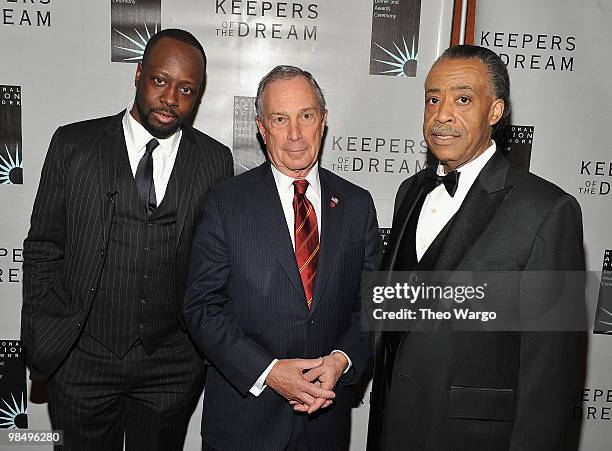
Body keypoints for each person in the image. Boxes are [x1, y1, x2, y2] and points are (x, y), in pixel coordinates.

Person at [21, 29, 233, 451]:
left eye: (186, 89)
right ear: (138, 75)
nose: (170, 98)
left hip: (171, 363)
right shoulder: (75, 145)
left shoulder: (214, 160)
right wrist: (49, 334)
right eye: (160, 81)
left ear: (198, 94)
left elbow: (216, 263)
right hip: (82, 358)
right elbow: (44, 247)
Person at [367, 45, 586, 450]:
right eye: (433, 99)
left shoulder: (548, 210)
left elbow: (551, 377)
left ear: (495, 112)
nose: (442, 114)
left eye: (462, 99)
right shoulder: (409, 192)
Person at [183, 65, 381, 451]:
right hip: (244, 425)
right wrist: (269, 371)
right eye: (280, 119)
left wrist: (341, 359)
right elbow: (202, 307)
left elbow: (372, 304)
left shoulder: (358, 205)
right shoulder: (226, 202)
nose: (294, 134)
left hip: (326, 425)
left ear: (323, 121)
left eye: (305, 116)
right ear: (261, 127)